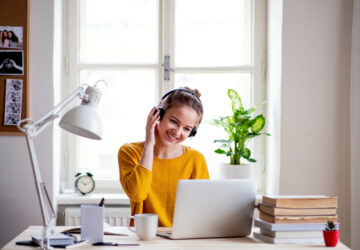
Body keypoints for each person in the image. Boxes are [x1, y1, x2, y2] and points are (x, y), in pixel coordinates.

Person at [118, 87, 210, 227]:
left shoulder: (195, 159)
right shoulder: (130, 152)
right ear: (157, 115)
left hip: (183, 240)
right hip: (145, 238)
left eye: (187, 129)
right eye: (174, 121)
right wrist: (149, 144)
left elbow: (203, 211)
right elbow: (137, 194)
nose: (178, 132)